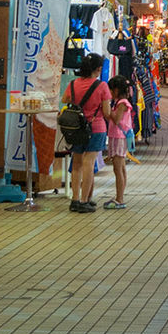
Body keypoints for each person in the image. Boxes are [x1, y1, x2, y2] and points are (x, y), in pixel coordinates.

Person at [66, 53, 111, 214]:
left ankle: (75, 199)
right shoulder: (102, 86)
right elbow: (106, 112)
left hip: (76, 128)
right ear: (98, 69)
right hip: (96, 128)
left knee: (77, 163)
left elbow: (66, 100)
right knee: (89, 164)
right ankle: (85, 200)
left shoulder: (73, 84)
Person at [104, 75, 132, 210]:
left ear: (115, 90)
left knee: (118, 168)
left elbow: (116, 120)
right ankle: (119, 196)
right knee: (121, 168)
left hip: (119, 137)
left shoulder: (122, 104)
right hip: (118, 137)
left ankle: (120, 198)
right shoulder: (120, 102)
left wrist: (107, 110)